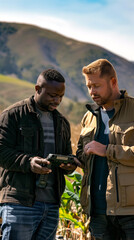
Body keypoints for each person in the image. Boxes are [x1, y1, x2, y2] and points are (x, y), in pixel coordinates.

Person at [0, 69, 77, 240]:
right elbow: (1, 151)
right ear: (37, 89)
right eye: (52, 95)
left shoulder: (62, 123)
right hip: (20, 203)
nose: (57, 100)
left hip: (51, 206)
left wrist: (69, 166)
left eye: (61, 96)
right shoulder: (13, 115)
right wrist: (29, 163)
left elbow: (66, 156)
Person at [76, 59, 134, 240]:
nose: (92, 92)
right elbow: (82, 153)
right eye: (88, 86)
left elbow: (104, 151)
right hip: (97, 211)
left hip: (130, 212)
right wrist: (74, 161)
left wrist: (107, 150)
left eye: (97, 86)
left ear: (113, 82)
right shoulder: (89, 116)